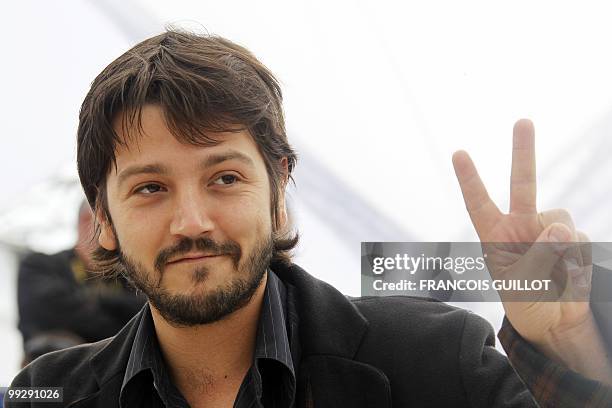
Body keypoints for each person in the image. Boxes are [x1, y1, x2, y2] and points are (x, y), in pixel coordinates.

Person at [7, 29, 612, 407]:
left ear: (278, 192)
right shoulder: (46, 395)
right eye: (150, 188)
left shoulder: (437, 359)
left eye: (224, 178)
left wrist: (569, 346)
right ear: (102, 219)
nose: (191, 221)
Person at [16, 200, 146, 365]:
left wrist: (93, 301)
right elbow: (47, 313)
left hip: (115, 379)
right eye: (110, 223)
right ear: (85, 221)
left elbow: (145, 316)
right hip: (51, 379)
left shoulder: (128, 277)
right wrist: (119, 317)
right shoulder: (39, 266)